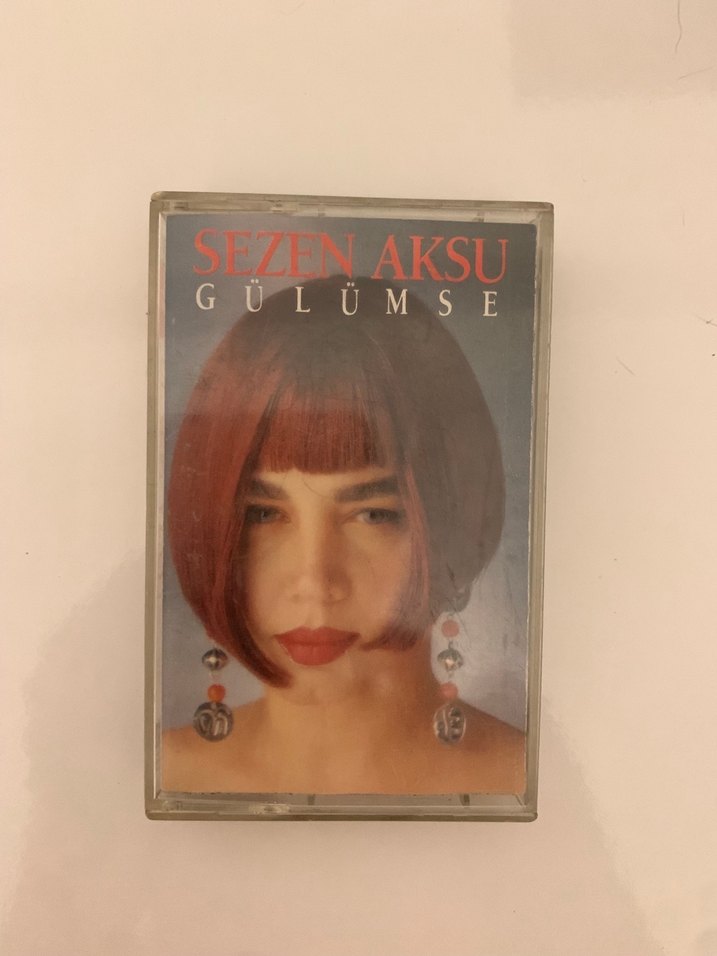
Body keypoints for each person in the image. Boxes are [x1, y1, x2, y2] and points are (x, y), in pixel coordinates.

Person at [162, 275, 525, 794]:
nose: (315, 583)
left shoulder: (536, 786)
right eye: (262, 514)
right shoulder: (149, 779)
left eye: (373, 515)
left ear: (458, 520)